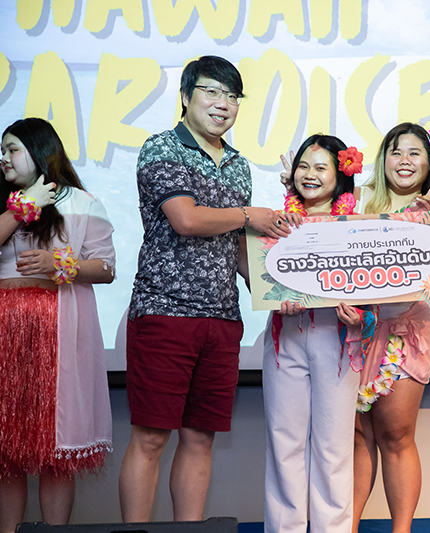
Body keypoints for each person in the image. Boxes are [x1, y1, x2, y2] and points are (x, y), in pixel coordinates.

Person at [119, 55, 287, 523]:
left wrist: (280, 292)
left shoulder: (238, 166)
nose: (222, 104)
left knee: (199, 438)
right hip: (165, 312)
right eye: (211, 92)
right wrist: (249, 215)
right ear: (185, 96)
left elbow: (238, 248)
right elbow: (187, 219)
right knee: (151, 436)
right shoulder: (162, 148)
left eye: (232, 96)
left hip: (222, 319)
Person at [0, 117, 115, 533]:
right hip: (6, 331)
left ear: (39, 151)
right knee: (7, 451)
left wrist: (57, 263)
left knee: (55, 451)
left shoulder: (81, 203)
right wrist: (20, 208)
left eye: (12, 149)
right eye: (2, 151)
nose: (4, 158)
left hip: (60, 333)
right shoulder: (5, 203)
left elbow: (106, 268)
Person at [263, 134, 373, 533]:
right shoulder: (276, 223)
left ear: (340, 176)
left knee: (334, 448)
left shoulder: (359, 227)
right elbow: (255, 275)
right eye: (303, 167)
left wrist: (359, 319)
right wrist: (275, 295)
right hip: (286, 338)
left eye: (320, 167)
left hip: (336, 339)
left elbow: (376, 289)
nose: (309, 175)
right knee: (284, 444)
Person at [352, 122, 430, 533]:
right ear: (383, 159)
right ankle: (347, 526)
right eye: (396, 151)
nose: (404, 161)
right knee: (357, 438)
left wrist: (428, 226)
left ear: (428, 163)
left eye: (414, 152)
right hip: (354, 331)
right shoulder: (356, 202)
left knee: (396, 435)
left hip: (404, 329)